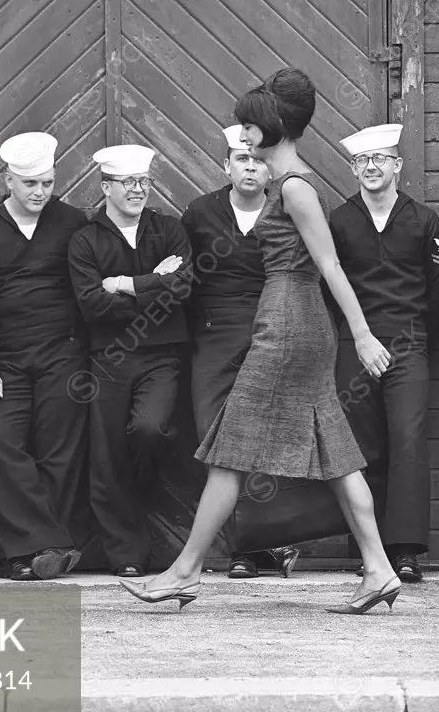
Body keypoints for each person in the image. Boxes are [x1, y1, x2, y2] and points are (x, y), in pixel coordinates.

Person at [121, 69, 400, 614]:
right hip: (293, 321)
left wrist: (363, 335)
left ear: (271, 126)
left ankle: (184, 570)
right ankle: (380, 570)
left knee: (230, 450)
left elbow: (330, 265)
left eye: (248, 125)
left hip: (289, 325)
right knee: (338, 455)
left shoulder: (294, 187)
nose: (242, 134)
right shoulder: (286, 182)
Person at [0, 132, 89, 582]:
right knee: (2, 446)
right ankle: (47, 547)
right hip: (6, 358)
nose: (40, 193)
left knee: (59, 453)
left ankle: (26, 555)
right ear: (9, 181)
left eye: (48, 183)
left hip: (64, 354)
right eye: (30, 184)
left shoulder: (72, 221)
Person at [330, 123, 439, 584]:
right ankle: (366, 548)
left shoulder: (425, 221)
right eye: (363, 161)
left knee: (407, 441)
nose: (371, 167)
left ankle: (403, 552)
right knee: (359, 447)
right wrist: (353, 338)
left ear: (397, 165)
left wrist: (416, 338)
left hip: (409, 343)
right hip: (353, 344)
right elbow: (327, 284)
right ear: (354, 169)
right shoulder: (339, 222)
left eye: (380, 159)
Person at [67, 144, 192, 577]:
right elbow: (91, 306)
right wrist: (155, 284)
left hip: (161, 357)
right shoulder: (85, 239)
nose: (139, 190)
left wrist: (122, 284)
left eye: (144, 182)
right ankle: (127, 555)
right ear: (106, 187)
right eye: (129, 183)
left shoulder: (169, 229)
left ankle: (143, 506)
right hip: (108, 358)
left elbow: (183, 289)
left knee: (150, 430)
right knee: (108, 455)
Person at [181, 124, 299, 580]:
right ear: (225, 165)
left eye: (257, 159)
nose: (250, 167)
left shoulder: (286, 208)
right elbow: (185, 283)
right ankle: (240, 546)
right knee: (217, 441)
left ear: (270, 166)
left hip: (271, 333)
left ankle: (258, 549)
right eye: (241, 159)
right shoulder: (199, 212)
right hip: (214, 338)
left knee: (267, 441)